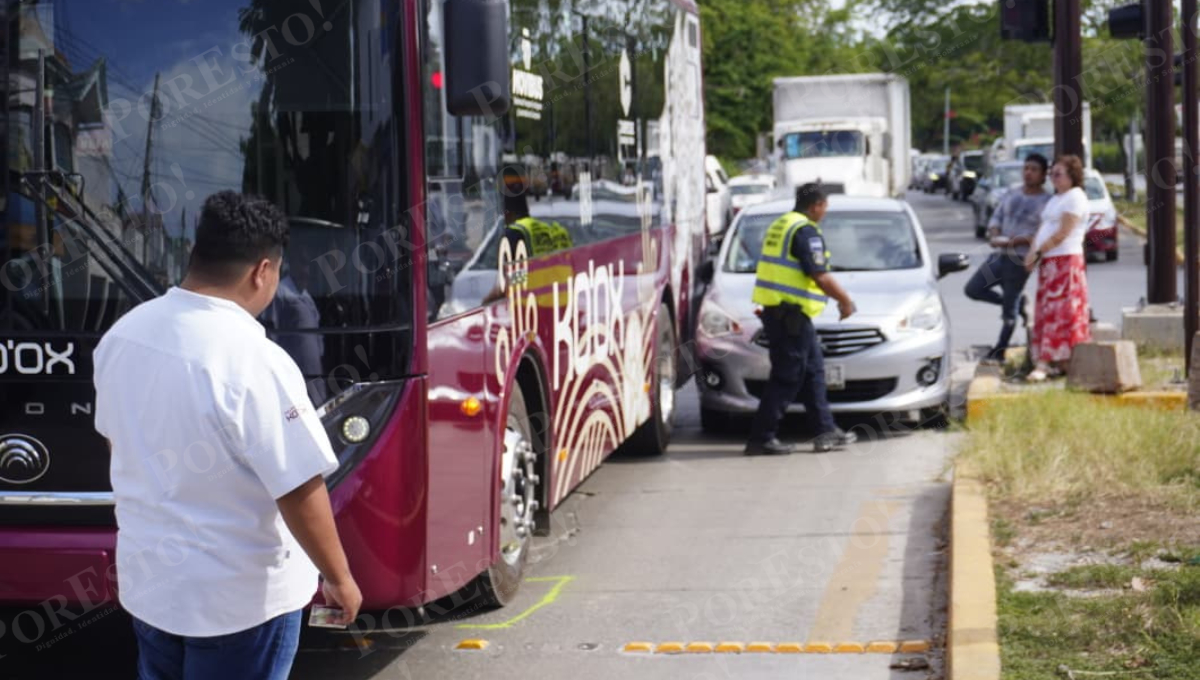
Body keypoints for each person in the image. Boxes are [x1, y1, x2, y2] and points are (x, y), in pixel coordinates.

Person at [94, 191, 361, 680]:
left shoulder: (121, 337)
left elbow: (119, 444)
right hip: (240, 601)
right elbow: (298, 485)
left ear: (196, 254)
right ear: (263, 271)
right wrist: (339, 577)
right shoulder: (256, 359)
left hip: (151, 587)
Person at [745, 184, 858, 455]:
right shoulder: (804, 231)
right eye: (825, 207)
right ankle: (761, 437)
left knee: (813, 372)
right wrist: (845, 301)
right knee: (788, 376)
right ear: (816, 206)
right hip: (789, 316)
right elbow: (819, 275)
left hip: (784, 313)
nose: (825, 213)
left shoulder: (781, 224)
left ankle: (825, 431)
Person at [963, 154, 1051, 363]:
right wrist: (994, 235)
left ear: (1043, 175)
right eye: (1026, 168)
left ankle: (1000, 349)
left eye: (1034, 169)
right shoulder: (1012, 192)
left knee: (1008, 314)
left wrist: (1014, 241)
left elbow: (1041, 236)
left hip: (1019, 260)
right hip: (999, 255)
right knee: (973, 289)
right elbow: (997, 217)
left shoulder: (1046, 202)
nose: (1028, 173)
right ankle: (1020, 305)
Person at [1025, 155, 1092, 382]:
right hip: (1050, 261)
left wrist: (1038, 251)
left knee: (1062, 312)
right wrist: (1033, 252)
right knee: (1047, 310)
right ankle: (1059, 361)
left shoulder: (1076, 197)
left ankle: (1046, 363)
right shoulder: (1056, 198)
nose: (1054, 178)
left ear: (1072, 175)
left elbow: (1063, 232)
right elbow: (1044, 227)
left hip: (1066, 260)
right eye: (1052, 174)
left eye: (1058, 174)